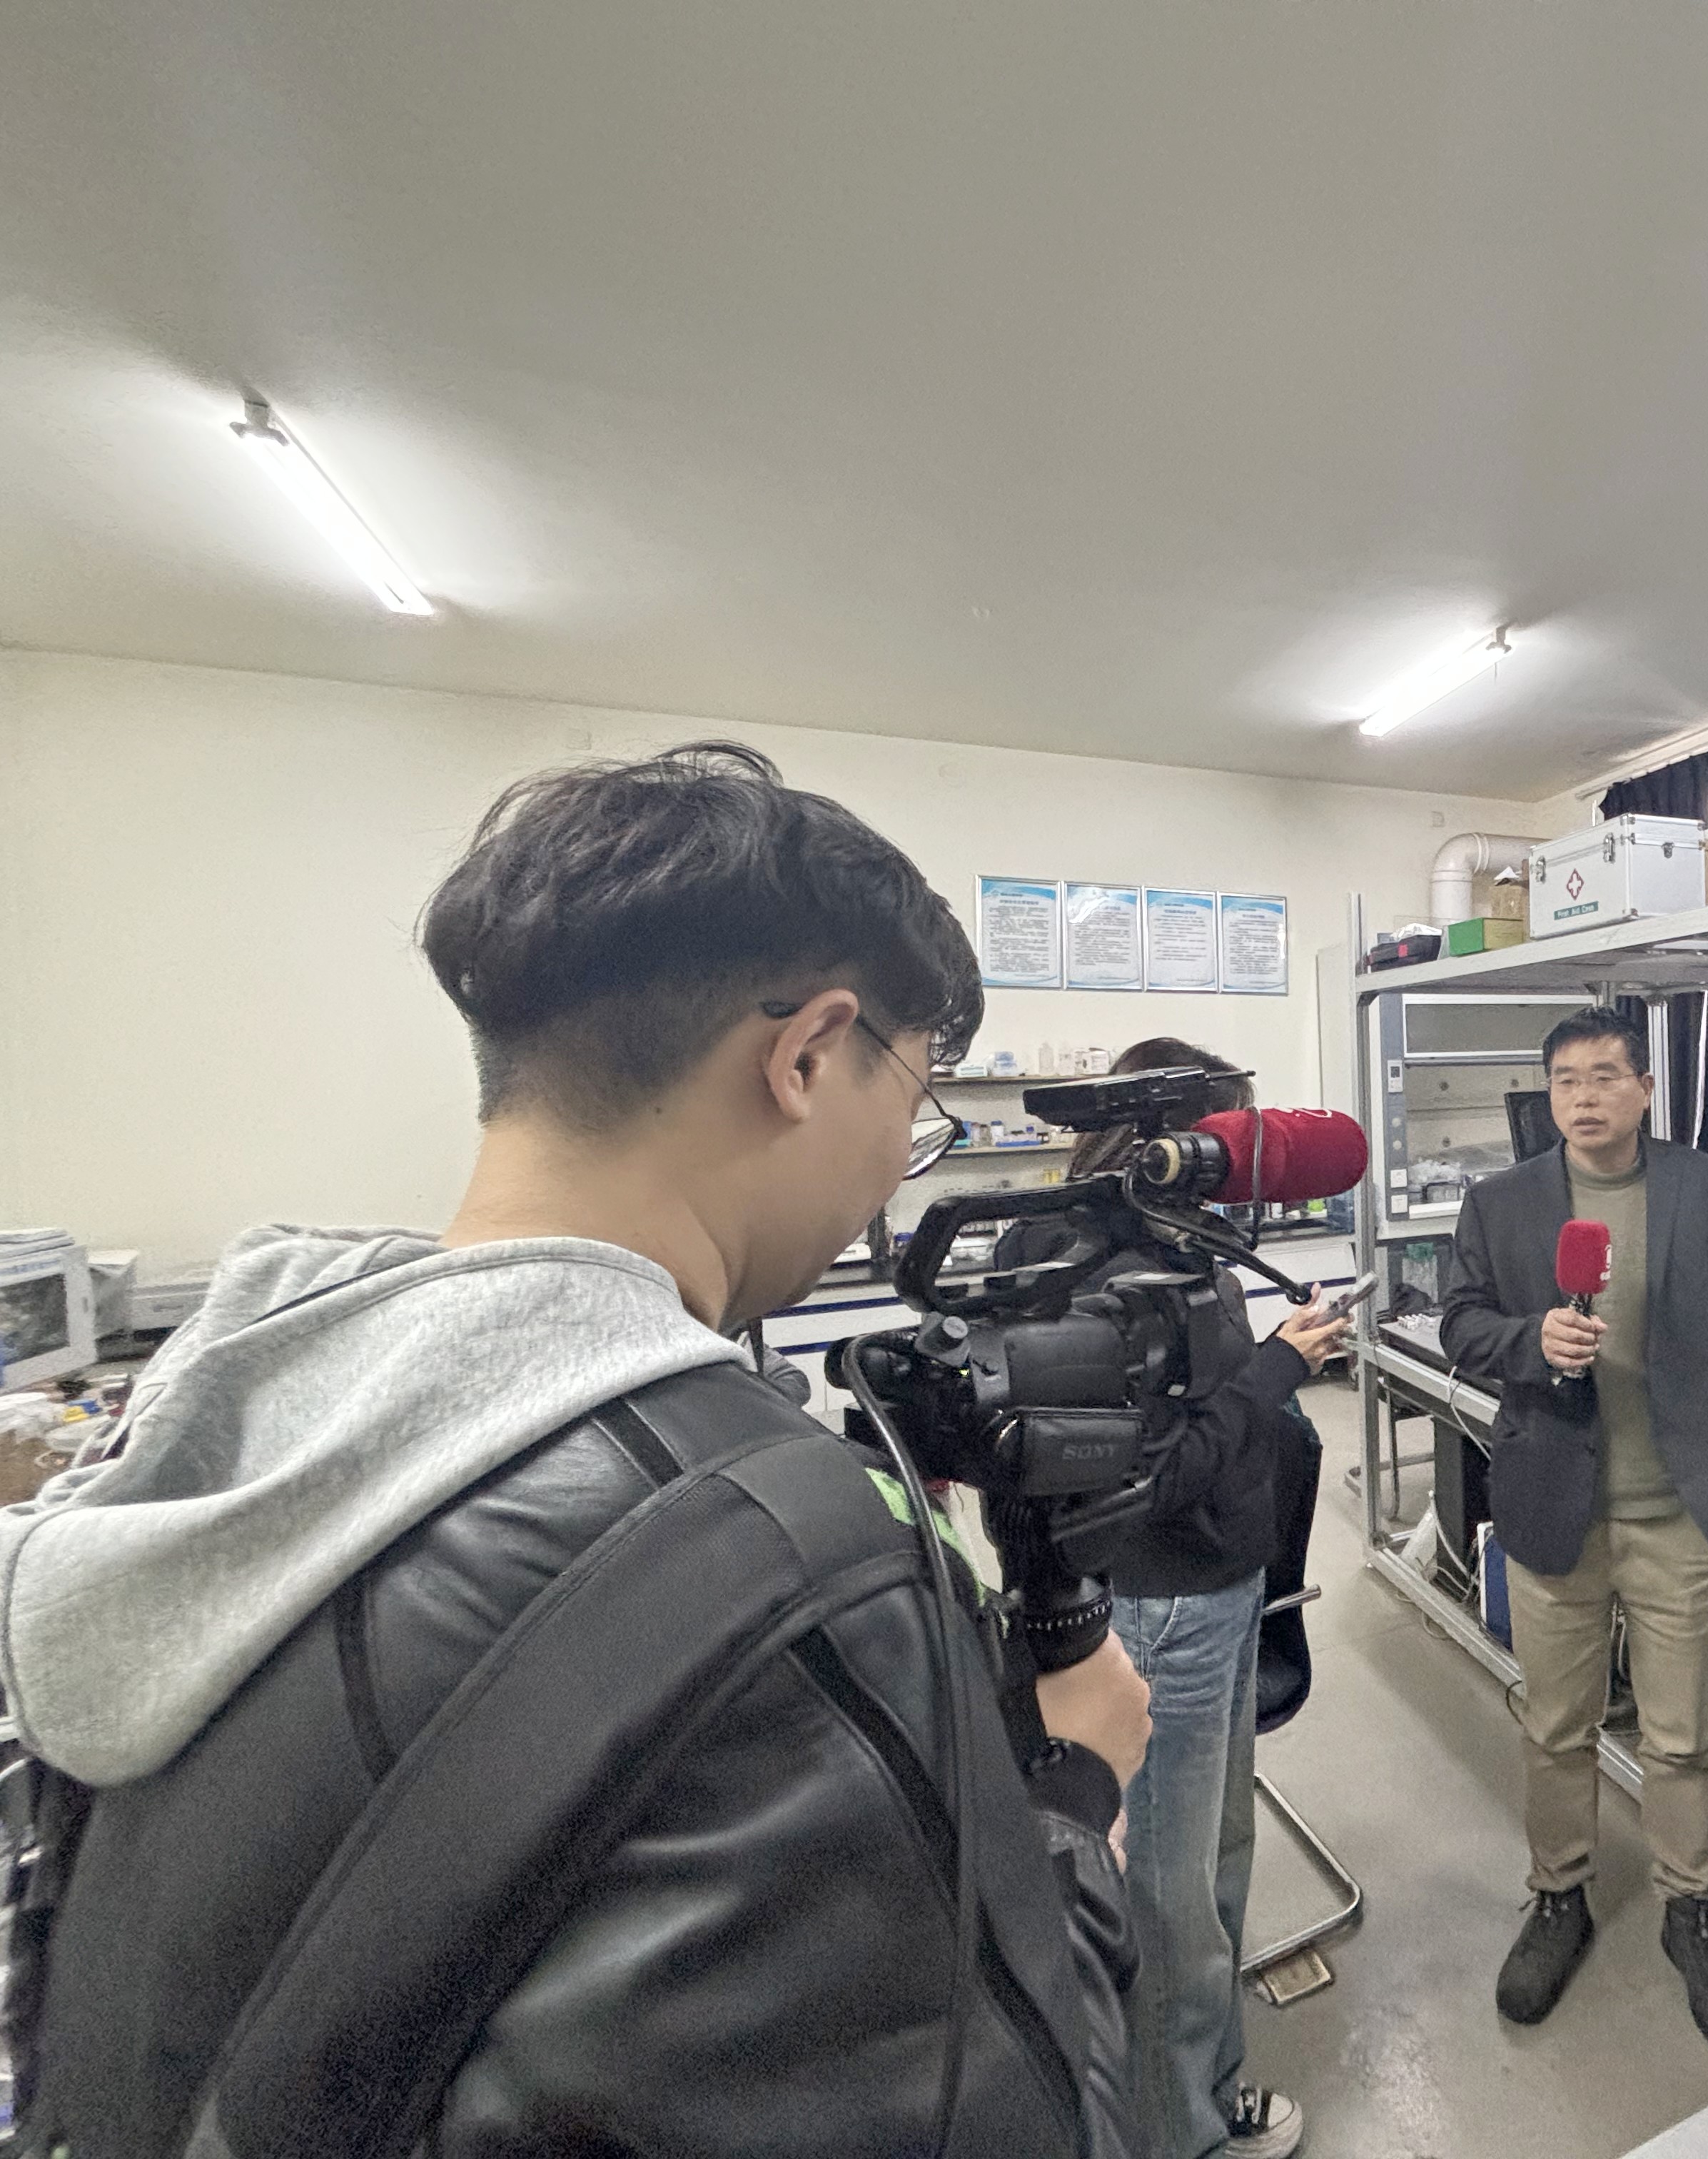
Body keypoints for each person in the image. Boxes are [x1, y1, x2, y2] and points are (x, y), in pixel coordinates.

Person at [0, 743, 1151, 2157]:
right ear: (805, 1056)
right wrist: (1073, 1800)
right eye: (911, 1105)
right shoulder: (785, 1556)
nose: (888, 1171)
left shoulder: (225, 1413)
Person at [998, 1038, 1345, 2159]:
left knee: (1216, 1858)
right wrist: (1283, 1364)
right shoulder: (1092, 1264)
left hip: (1222, 1587)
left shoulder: (1173, 1241)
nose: (1243, 1166)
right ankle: (1179, 2134)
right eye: (1230, 1139)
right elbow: (1161, 1471)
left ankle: (1208, 2083)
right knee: (1166, 1901)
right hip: (1161, 1609)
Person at [1441, 1006, 1708, 2058]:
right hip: (1555, 1503)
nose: (1583, 1097)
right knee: (1556, 1725)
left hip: (1679, 1505)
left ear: (1644, 1088)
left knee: (1682, 1732)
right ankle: (1560, 1896)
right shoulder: (1501, 1202)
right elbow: (1459, 1323)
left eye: (1603, 1076)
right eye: (1565, 1081)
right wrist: (1529, 1338)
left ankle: (1692, 1906)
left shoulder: (1706, 1187)